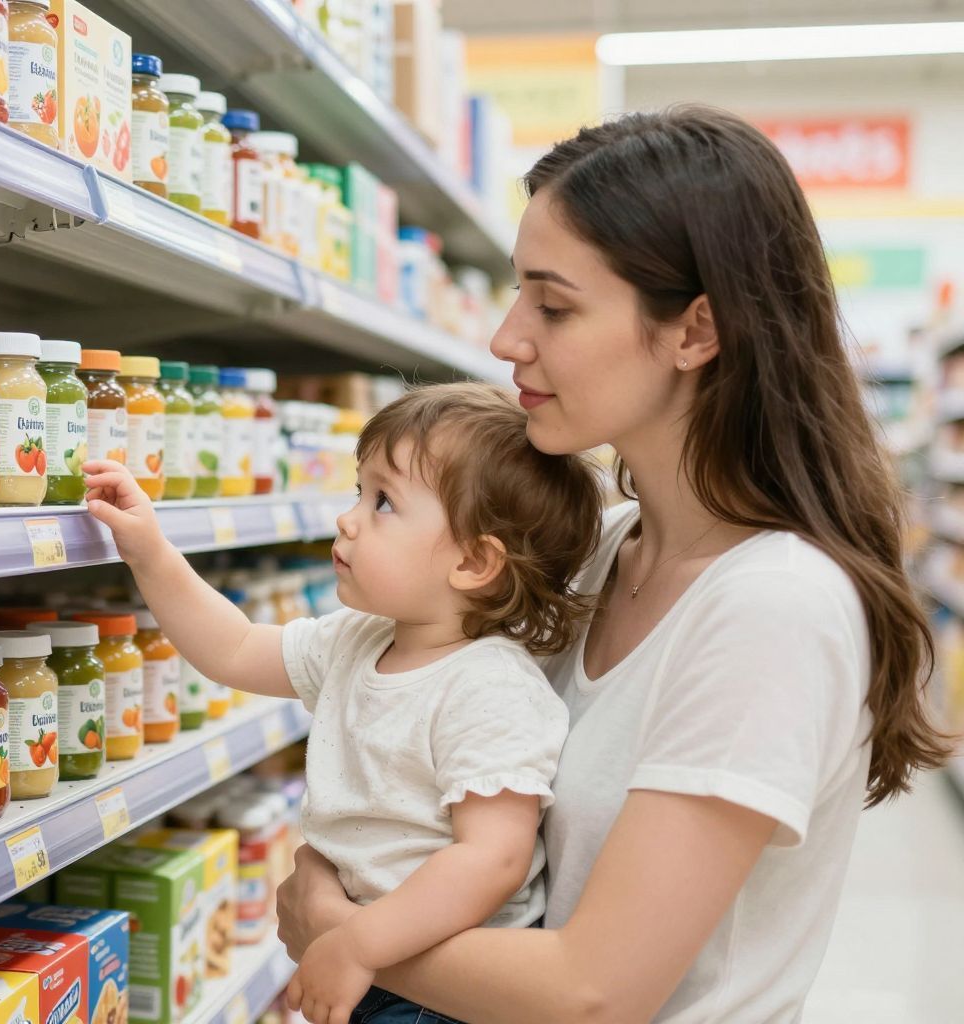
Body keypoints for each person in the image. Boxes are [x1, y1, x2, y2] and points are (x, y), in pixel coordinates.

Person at [275, 104, 953, 1023]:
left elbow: (595, 992)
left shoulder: (772, 608)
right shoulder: (597, 551)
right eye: (518, 294)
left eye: (553, 305)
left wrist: (335, 928)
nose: (508, 338)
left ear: (695, 331)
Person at [81, 382, 603, 1024]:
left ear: (472, 561)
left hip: (446, 993)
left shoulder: (490, 688)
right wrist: (151, 552)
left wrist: (358, 943)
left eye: (383, 501)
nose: (348, 517)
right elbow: (235, 648)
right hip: (371, 961)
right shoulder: (357, 640)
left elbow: (492, 859)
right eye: (359, 490)